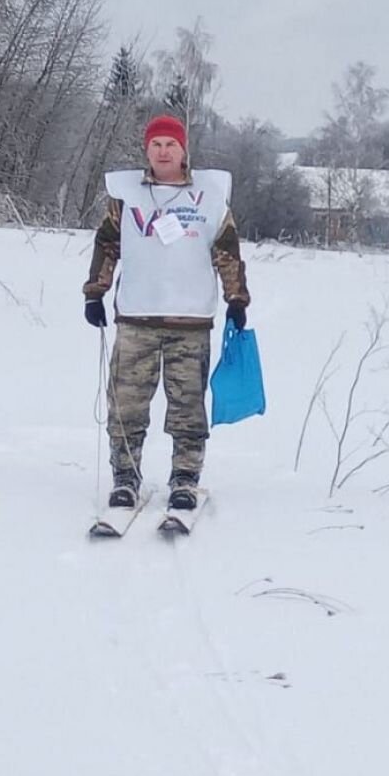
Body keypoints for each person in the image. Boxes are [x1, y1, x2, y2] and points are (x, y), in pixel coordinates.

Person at [83, 114, 250, 511]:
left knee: (188, 406)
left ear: (183, 150)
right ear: (147, 149)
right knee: (126, 404)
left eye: (170, 145)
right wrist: (95, 293)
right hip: (137, 319)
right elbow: (107, 244)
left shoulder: (208, 197)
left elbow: (227, 251)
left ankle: (185, 479)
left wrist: (237, 300)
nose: (163, 152)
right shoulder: (125, 196)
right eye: (156, 144)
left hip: (190, 323)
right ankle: (126, 477)